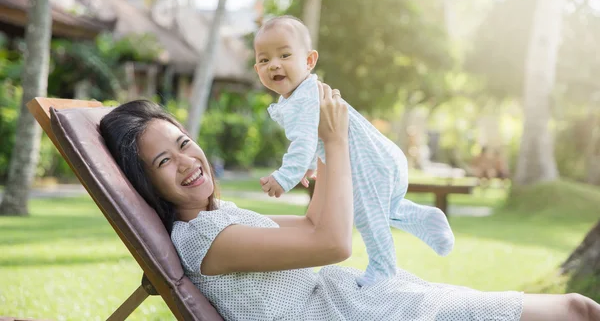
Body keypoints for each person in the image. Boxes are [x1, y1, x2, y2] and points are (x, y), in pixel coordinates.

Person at [99, 89, 600, 321]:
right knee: (576, 310)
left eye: (184, 142)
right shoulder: (204, 240)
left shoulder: (218, 219)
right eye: (164, 161)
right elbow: (334, 243)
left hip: (364, 303)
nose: (188, 161)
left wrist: (323, 157)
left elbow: (316, 222)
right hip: (355, 312)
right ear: (149, 185)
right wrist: (335, 144)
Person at [253, 15, 453, 286]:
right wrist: (312, 165)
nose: (274, 64)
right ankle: (427, 218)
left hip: (371, 162)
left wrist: (284, 177)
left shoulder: (305, 96)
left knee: (368, 214)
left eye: (285, 55)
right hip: (383, 157)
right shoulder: (301, 95)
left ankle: (383, 269)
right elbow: (313, 136)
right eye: (264, 60)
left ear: (309, 61)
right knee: (385, 209)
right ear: (257, 69)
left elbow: (302, 143)